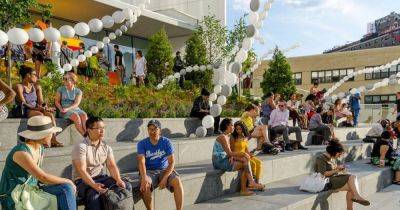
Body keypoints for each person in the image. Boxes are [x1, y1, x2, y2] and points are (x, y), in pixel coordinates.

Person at [0, 116, 76, 210]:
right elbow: (42, 177)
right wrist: (67, 180)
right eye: (50, 133)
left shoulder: (40, 148)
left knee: (65, 189)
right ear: (42, 135)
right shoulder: (21, 152)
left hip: (32, 190)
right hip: (14, 195)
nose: (52, 135)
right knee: (66, 187)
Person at [72, 116, 131, 210]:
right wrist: (94, 185)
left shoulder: (106, 147)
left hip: (101, 178)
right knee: (94, 195)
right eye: (99, 128)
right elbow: (82, 170)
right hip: (82, 181)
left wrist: (118, 179)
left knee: (126, 185)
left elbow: (111, 166)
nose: (102, 131)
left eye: (103, 128)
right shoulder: (81, 147)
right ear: (89, 130)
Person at [137, 119, 184, 210]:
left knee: (177, 181)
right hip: (149, 171)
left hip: (164, 169)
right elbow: (141, 161)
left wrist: (165, 178)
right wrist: (144, 177)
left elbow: (172, 162)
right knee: (145, 184)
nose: (153, 131)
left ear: (160, 130)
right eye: (150, 129)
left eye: (155, 129)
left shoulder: (166, 142)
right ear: (148, 130)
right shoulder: (142, 143)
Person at [212, 118, 264, 196]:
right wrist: (242, 154)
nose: (233, 127)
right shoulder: (222, 137)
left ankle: (250, 184)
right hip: (219, 161)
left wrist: (233, 157)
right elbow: (229, 153)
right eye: (232, 125)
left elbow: (229, 153)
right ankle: (248, 185)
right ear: (227, 126)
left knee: (245, 161)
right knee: (244, 163)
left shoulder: (227, 136)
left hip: (224, 159)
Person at [15, 65, 63, 147]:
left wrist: (46, 107)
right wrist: (38, 108)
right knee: (40, 115)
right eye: (35, 75)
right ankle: (42, 140)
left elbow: (41, 102)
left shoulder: (37, 87)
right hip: (25, 110)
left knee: (50, 115)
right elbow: (23, 103)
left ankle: (53, 139)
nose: (37, 77)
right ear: (27, 75)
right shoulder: (19, 86)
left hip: (36, 108)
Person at [314, 140, 370, 209]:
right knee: (352, 177)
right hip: (326, 182)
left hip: (333, 179)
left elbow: (332, 170)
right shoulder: (320, 158)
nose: (339, 156)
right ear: (334, 152)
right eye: (339, 154)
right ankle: (357, 196)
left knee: (351, 188)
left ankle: (351, 207)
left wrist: (339, 169)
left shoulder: (332, 158)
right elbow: (324, 174)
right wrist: (337, 169)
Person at [55, 72, 87, 136]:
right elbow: (57, 101)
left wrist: (68, 109)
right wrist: (61, 109)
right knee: (76, 116)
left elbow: (76, 103)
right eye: (64, 78)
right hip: (64, 110)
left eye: (66, 79)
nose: (64, 80)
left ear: (73, 81)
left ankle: (89, 134)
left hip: (74, 108)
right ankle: (85, 136)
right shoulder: (60, 89)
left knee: (84, 115)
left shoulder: (78, 91)